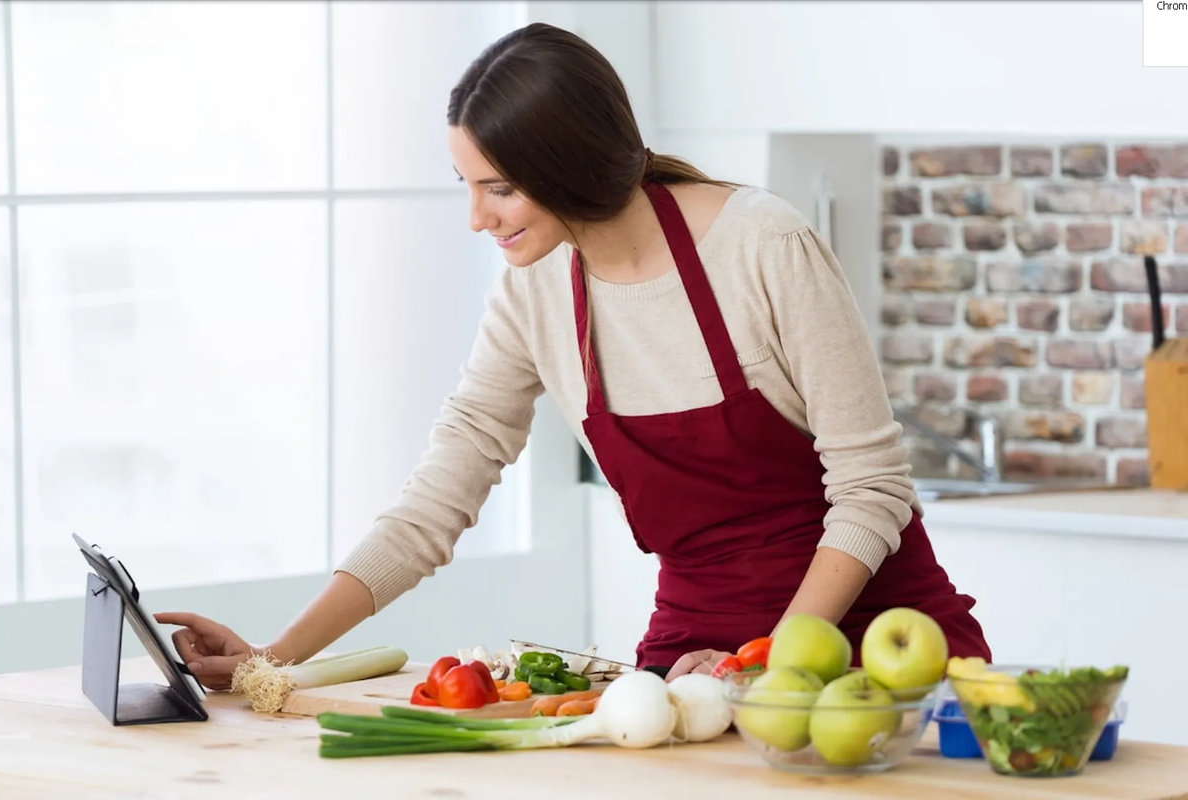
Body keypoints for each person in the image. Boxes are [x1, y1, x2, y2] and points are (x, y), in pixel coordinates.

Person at [156, 23, 991, 687]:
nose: (478, 218)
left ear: (571, 164)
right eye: (466, 185)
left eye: (500, 188)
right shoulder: (536, 289)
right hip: (692, 658)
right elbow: (437, 499)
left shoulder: (761, 244)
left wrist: (771, 664)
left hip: (869, 647)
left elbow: (873, 488)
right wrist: (273, 659)